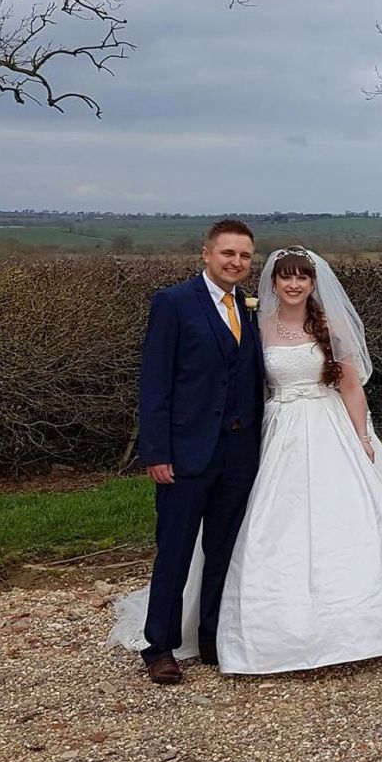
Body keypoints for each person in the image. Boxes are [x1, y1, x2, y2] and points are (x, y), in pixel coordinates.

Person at [113, 245, 382, 676]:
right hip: (276, 430)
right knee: (260, 524)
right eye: (286, 277)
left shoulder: (329, 326)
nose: (295, 284)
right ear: (274, 282)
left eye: (303, 277)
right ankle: (218, 630)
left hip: (328, 424)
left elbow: (352, 387)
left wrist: (362, 436)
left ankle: (368, 619)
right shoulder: (255, 326)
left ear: (314, 283)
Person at [130, 219, 266, 686]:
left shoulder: (248, 309)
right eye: (228, 253)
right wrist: (156, 451)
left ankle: (212, 637)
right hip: (185, 452)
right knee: (175, 549)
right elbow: (155, 382)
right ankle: (159, 646)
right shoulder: (172, 303)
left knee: (223, 550)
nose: (236, 262)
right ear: (206, 255)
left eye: (245, 256)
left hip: (239, 451)